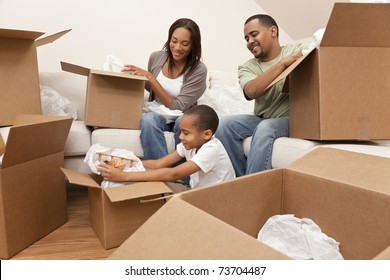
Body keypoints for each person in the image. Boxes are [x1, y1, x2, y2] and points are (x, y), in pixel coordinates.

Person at [215, 14, 304, 177]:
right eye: (246, 38)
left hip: (292, 119)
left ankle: (251, 190)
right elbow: (251, 91)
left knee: (265, 127)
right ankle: (242, 182)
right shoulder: (247, 67)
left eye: (254, 34)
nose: (249, 42)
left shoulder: (297, 51)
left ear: (273, 31)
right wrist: (283, 64)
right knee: (225, 125)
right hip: (262, 117)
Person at [122, 18, 207, 163]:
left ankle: (183, 178)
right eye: (174, 41)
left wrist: (150, 77)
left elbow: (178, 106)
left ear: (193, 45)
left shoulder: (199, 69)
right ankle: (160, 175)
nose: (177, 47)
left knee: (184, 123)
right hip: (158, 113)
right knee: (148, 120)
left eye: (185, 43)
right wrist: (137, 79)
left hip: (183, 115)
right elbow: (153, 90)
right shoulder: (156, 57)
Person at [98, 105, 236, 189]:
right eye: (181, 131)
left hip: (213, 200)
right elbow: (158, 163)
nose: (181, 137)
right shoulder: (190, 145)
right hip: (197, 192)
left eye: (186, 133)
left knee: (152, 183)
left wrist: (124, 176)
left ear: (206, 134)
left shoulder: (212, 150)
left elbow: (173, 173)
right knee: (147, 175)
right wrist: (126, 163)